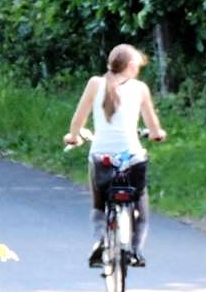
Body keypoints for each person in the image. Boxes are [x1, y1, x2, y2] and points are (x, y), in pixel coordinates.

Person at [63, 43, 167, 268]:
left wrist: (73, 136)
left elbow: (77, 121)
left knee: (99, 206)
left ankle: (99, 243)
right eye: (137, 66)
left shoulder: (94, 84)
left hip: (101, 157)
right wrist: (157, 134)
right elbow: (154, 128)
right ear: (130, 66)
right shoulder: (140, 89)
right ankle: (136, 251)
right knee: (141, 209)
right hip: (132, 158)